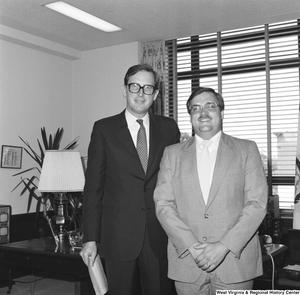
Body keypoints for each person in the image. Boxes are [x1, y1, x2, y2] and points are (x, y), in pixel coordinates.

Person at [154, 87, 268, 294]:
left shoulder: (247, 149)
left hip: (235, 263)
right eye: (195, 108)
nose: (203, 112)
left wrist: (223, 246)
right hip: (188, 262)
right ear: (190, 117)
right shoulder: (172, 154)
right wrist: (192, 247)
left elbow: (257, 204)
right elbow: (163, 205)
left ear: (221, 113)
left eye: (210, 106)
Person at [80, 64, 180, 295]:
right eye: (135, 86)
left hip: (159, 235)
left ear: (155, 95)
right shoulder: (104, 129)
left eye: (147, 88)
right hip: (117, 237)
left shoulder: (168, 128)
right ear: (125, 90)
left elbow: (176, 183)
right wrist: (90, 239)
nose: (141, 93)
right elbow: (94, 187)